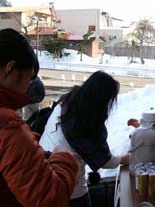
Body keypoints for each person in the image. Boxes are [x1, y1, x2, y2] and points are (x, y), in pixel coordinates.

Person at [0, 28, 79, 207]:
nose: (26, 88)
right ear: (10, 69)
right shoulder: (7, 125)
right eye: (28, 79)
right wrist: (63, 158)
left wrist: (29, 144)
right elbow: (51, 199)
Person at [39, 70, 130, 207]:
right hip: (68, 184)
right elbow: (103, 159)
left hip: (42, 171)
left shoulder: (68, 100)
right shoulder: (85, 119)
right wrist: (123, 159)